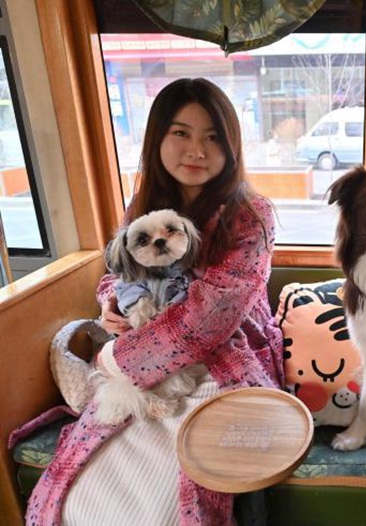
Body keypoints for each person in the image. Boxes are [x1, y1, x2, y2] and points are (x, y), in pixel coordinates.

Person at [26, 78, 284, 525]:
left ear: (231, 146)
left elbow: (210, 317)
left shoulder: (252, 213)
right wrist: (111, 303)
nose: (197, 151)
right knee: (76, 500)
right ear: (157, 139)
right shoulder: (144, 204)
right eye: (181, 133)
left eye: (212, 137)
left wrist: (115, 359)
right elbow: (116, 272)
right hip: (141, 360)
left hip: (225, 361)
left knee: (165, 511)